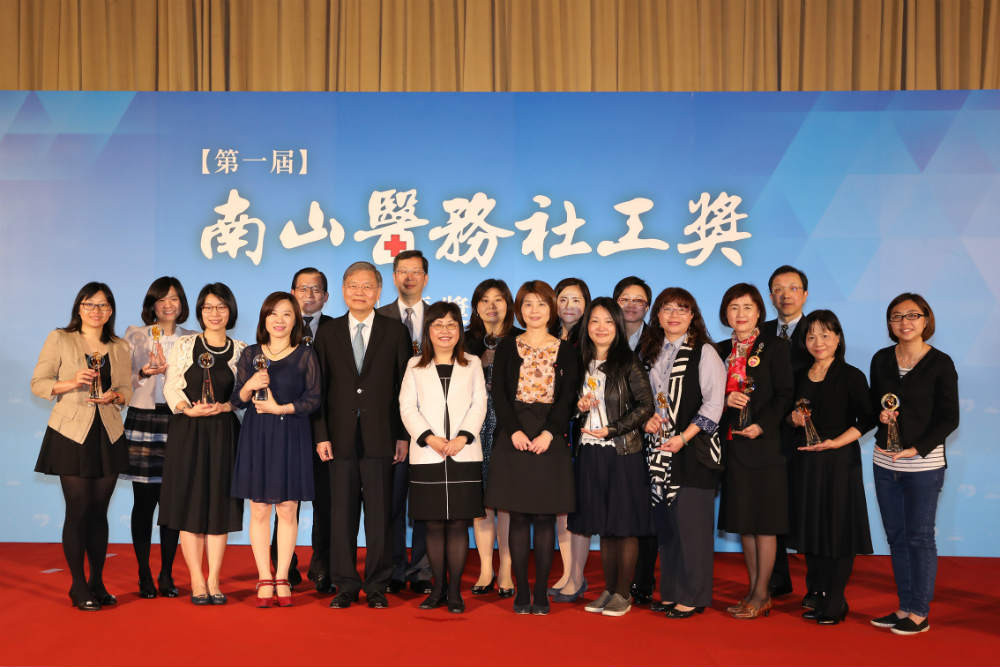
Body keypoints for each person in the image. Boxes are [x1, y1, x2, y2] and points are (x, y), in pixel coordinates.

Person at [313, 261, 411, 609]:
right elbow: (319, 388)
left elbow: (404, 388)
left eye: (367, 286)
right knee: (341, 514)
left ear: (379, 291)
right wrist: (321, 434)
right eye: (353, 285)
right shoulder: (327, 333)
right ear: (343, 290)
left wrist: (403, 435)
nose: (360, 292)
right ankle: (345, 584)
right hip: (338, 438)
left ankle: (377, 585)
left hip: (382, 436)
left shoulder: (395, 331)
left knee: (379, 515)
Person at [32, 282, 132, 611]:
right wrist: (72, 382)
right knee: (78, 510)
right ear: (79, 307)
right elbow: (39, 383)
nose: (96, 311)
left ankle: (97, 582)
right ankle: (77, 585)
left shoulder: (119, 346)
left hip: (108, 433)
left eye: (103, 305)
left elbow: (126, 391)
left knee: (99, 512)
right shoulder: (60, 338)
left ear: (111, 310)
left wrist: (115, 396)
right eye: (90, 304)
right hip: (71, 433)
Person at [484, 280, 581, 615]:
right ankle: (521, 591)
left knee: (544, 519)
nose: (534, 311)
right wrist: (512, 430)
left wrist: (549, 433)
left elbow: (568, 397)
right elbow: (499, 393)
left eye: (541, 304)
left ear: (551, 309)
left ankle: (540, 592)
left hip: (549, 437)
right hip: (513, 435)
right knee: (517, 517)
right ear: (519, 310)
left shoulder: (566, 350)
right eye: (528, 304)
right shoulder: (507, 347)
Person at [868, 294, 958, 636]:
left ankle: (920, 612)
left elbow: (949, 418)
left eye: (912, 315)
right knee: (896, 537)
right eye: (897, 316)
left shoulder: (941, 363)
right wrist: (880, 416)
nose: (904, 322)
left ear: (925, 320)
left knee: (920, 537)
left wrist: (917, 449)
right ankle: (904, 607)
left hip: (923, 466)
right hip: (884, 461)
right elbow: (873, 403)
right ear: (889, 323)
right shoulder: (881, 359)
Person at [638, 288, 726, 619]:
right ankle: (672, 592)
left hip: (693, 452)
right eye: (667, 309)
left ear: (693, 316)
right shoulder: (651, 352)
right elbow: (646, 399)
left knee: (693, 529)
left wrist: (684, 437)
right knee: (669, 529)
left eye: (682, 309)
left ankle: (693, 595)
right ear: (657, 316)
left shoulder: (704, 351)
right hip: (659, 451)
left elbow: (714, 404)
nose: (674, 315)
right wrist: (647, 419)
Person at [232, 292, 321, 607]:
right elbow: (236, 399)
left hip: (291, 435)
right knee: (258, 509)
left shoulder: (306, 355)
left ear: (296, 320)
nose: (279, 320)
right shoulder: (251, 354)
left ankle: (282, 576)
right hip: (257, 436)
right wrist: (250, 384)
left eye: (286, 314)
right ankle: (264, 576)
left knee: (286, 508)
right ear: (264, 318)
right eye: (273, 314)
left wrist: (280, 408)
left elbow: (314, 399)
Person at [159, 283, 246, 605]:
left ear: (230, 311)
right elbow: (171, 387)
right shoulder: (185, 345)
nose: (214, 313)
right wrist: (186, 408)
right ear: (199, 311)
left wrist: (228, 406)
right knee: (190, 504)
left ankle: (214, 580)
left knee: (219, 505)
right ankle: (197, 580)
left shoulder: (241, 350)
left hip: (224, 434)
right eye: (208, 307)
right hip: (188, 431)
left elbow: (244, 394)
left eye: (221, 307)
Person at [787, 309, 875, 625]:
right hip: (805, 463)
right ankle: (819, 591)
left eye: (825, 335)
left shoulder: (852, 376)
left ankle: (836, 599)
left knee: (838, 529)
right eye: (811, 336)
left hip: (839, 463)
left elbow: (868, 418)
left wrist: (837, 442)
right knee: (812, 527)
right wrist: (792, 419)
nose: (818, 342)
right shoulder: (799, 375)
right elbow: (786, 417)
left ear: (838, 338)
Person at [400, 301, 488, 613]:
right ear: (428, 331)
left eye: (451, 324)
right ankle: (436, 588)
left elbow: (479, 403)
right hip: (428, 454)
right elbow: (407, 407)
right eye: (438, 325)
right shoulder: (414, 365)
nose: (445, 331)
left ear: (460, 330)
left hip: (464, 453)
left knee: (459, 525)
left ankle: (454, 592)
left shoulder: (472, 363)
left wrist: (463, 437)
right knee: (434, 526)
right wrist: (430, 438)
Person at [570, 298, 653, 617]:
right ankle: (609, 589)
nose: (601, 327)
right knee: (604, 525)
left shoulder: (628, 361)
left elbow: (646, 405)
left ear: (617, 325)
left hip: (622, 451)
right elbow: (570, 405)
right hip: (590, 452)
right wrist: (579, 408)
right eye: (595, 321)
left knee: (624, 524)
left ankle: (623, 592)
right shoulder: (582, 361)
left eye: (608, 321)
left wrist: (614, 429)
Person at [716, 283, 793, 620]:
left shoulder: (775, 347)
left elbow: (785, 394)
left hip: (765, 446)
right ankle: (752, 590)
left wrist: (762, 425)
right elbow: (706, 394)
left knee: (764, 523)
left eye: (747, 307)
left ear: (760, 311)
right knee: (744, 522)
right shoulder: (719, 350)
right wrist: (724, 399)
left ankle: (762, 594)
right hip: (734, 446)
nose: (741, 314)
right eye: (734, 307)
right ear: (725, 313)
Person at [121, 277, 196, 599]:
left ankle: (166, 573)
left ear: (182, 303)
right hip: (143, 418)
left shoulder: (192, 338)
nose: (168, 304)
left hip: (178, 420)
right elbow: (121, 382)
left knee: (172, 502)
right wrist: (143, 373)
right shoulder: (134, 335)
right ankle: (143, 573)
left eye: (174, 298)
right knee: (143, 501)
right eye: (162, 299)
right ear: (152, 304)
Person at [378, 249, 433, 595]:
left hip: (432, 424)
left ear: (425, 278)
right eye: (402, 271)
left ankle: (423, 569)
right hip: (390, 425)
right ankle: (394, 568)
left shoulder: (441, 317)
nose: (409, 277)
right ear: (394, 277)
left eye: (415, 272)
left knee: (425, 501)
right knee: (392, 500)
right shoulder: (378, 316)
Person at [465, 279, 522, 598]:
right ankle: (486, 568)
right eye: (484, 300)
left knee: (506, 501)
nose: (491, 306)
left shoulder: (520, 339)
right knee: (481, 501)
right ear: (476, 306)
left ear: (508, 305)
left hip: (510, 427)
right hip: (473, 428)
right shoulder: (464, 340)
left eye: (498, 299)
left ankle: (506, 569)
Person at [284, 267, 332, 591]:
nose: (309, 295)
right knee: (286, 502)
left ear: (326, 297)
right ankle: (284, 565)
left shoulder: (337, 329)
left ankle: (322, 566)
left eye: (316, 289)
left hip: (325, 429)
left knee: (325, 503)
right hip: (288, 427)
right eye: (303, 289)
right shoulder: (279, 327)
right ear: (292, 293)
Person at [764, 265, 811, 598]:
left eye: (793, 288)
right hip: (770, 433)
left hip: (807, 432)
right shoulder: (761, 332)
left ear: (804, 294)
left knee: (807, 506)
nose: (785, 295)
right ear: (771, 296)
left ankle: (817, 587)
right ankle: (777, 577)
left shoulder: (819, 329)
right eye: (778, 289)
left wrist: (802, 413)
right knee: (773, 506)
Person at [549, 277, 593, 602]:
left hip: (582, 429)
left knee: (576, 505)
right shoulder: (547, 337)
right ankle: (567, 572)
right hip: (552, 429)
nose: (568, 306)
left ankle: (576, 575)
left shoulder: (591, 339)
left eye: (576, 300)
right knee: (560, 506)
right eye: (563, 299)